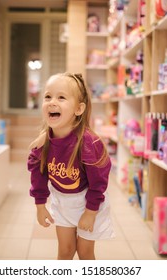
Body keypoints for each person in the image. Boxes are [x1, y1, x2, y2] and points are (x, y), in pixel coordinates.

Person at [27, 72, 115, 260]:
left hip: (89, 202)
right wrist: (40, 205)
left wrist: (90, 213)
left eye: (61, 97)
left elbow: (99, 183)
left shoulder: (89, 144)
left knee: (85, 252)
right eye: (48, 96)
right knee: (65, 251)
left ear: (79, 109)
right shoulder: (43, 143)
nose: (52, 102)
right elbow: (38, 175)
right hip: (63, 202)